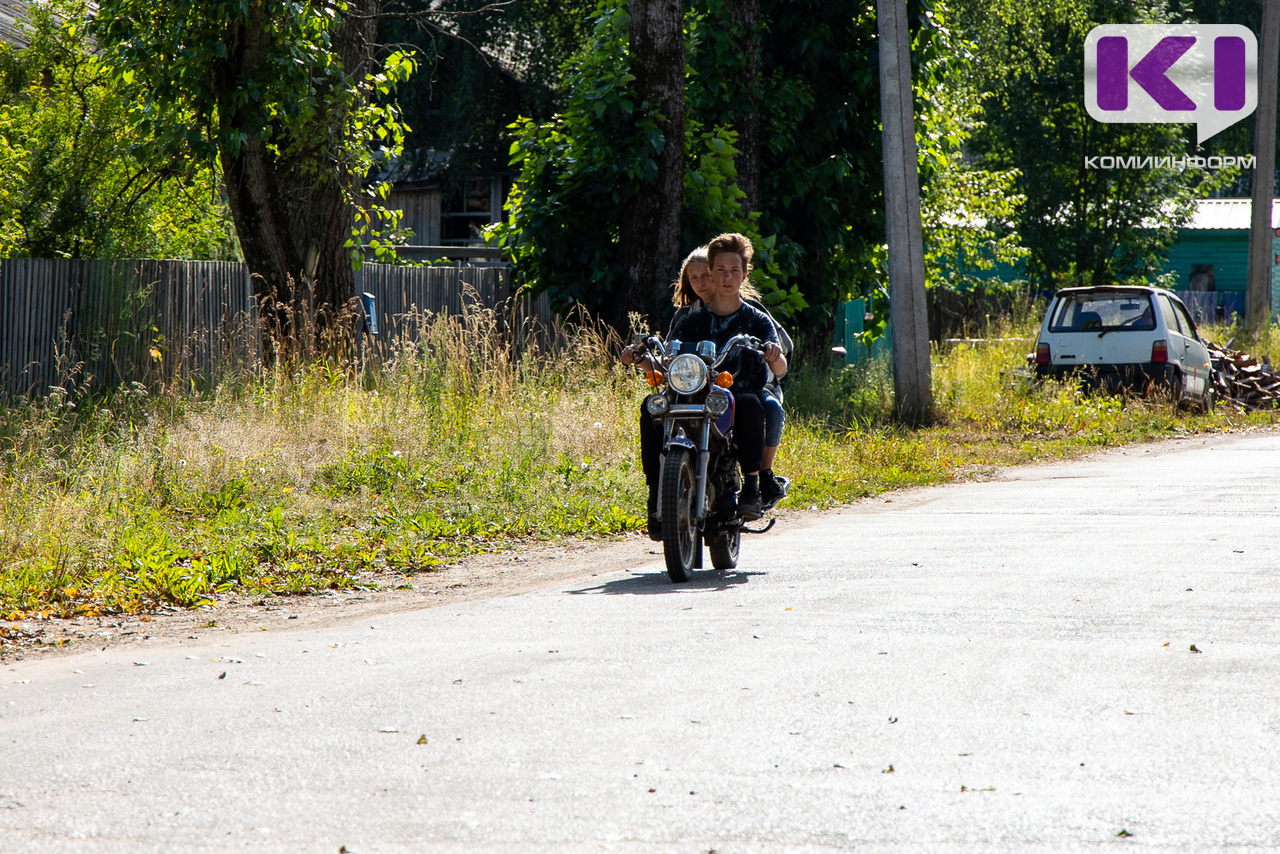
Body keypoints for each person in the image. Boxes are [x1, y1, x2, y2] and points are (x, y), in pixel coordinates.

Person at [651, 232, 787, 522]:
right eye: (721, 271)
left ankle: (752, 488)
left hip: (741, 392)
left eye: (734, 271)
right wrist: (644, 359)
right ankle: (656, 494)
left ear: (744, 274)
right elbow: (667, 362)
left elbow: (781, 370)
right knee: (651, 408)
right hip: (697, 393)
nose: (728, 278)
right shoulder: (691, 321)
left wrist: (775, 356)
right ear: (711, 273)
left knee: (751, 403)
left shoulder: (758, 319)